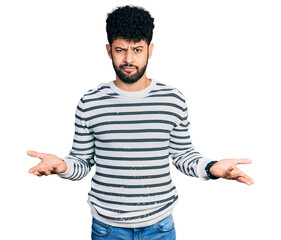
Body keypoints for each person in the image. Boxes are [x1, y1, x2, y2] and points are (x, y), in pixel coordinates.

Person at [27, 5, 254, 240]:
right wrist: (62, 166)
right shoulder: (90, 102)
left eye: (137, 49)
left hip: (160, 227)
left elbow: (183, 155)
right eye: (120, 50)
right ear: (108, 50)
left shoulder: (172, 100)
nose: (128, 59)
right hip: (107, 229)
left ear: (150, 50)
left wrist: (212, 168)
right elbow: (82, 161)